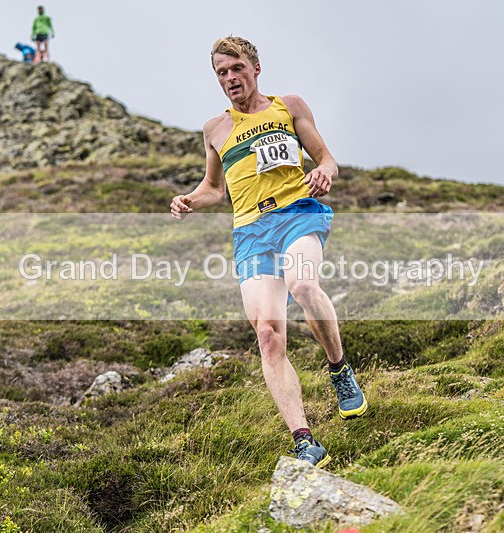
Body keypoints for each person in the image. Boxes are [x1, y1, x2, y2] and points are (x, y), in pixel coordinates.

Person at [170, 36, 368, 468]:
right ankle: (304, 440)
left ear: (255, 67)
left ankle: (338, 369)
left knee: (302, 284)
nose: (229, 78)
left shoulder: (289, 106)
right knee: (267, 334)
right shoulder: (215, 130)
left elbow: (327, 158)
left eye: (236, 68)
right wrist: (189, 199)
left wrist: (323, 172)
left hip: (297, 213)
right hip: (251, 233)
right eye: (221, 73)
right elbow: (214, 189)